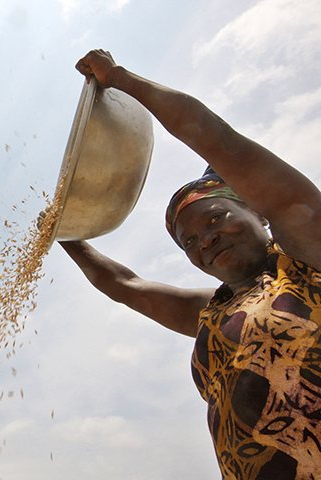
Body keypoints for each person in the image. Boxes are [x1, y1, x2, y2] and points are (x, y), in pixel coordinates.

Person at [61, 50, 321, 479]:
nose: (207, 239)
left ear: (257, 212)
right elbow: (124, 284)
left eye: (216, 219)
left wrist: (123, 79)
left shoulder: (304, 259)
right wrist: (64, 230)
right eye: (190, 242)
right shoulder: (211, 312)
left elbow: (221, 142)